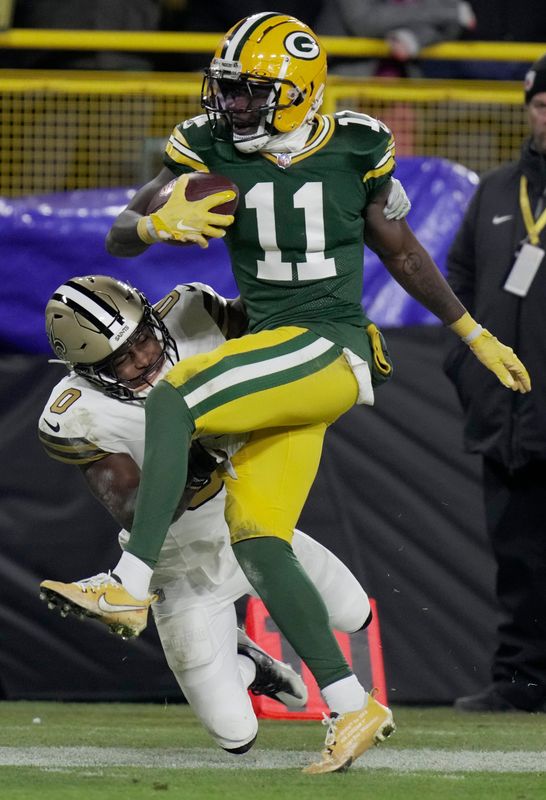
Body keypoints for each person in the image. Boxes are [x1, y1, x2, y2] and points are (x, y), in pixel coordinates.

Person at [61, 12, 529, 773]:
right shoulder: (207, 146)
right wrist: (151, 225)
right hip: (278, 351)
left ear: (298, 92)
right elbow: (120, 230)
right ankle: (353, 708)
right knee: (260, 542)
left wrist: (473, 332)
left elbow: (402, 251)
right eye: (229, 90)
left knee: (177, 395)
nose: (232, 105)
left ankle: (129, 582)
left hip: (329, 345)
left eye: (250, 92)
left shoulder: (356, 144)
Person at [38, 274, 375, 752]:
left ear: (154, 317)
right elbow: (136, 510)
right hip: (181, 565)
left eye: (142, 341)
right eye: (120, 362)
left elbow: (279, 321)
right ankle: (250, 662)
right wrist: (192, 449)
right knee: (235, 735)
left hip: (254, 525)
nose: (143, 361)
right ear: (87, 372)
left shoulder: (194, 311)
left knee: (355, 614)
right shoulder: (74, 412)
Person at [445, 54, 546, 713]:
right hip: (507, 417)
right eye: (542, 102)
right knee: (518, 564)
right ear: (528, 106)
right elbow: (457, 292)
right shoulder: (493, 192)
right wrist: (472, 379)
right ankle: (520, 682)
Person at [314, 0, 476, 78]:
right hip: (347, 83)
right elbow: (364, 23)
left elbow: (450, 27)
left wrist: (414, 38)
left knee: (399, 142)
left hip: (402, 86)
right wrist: (445, 13)